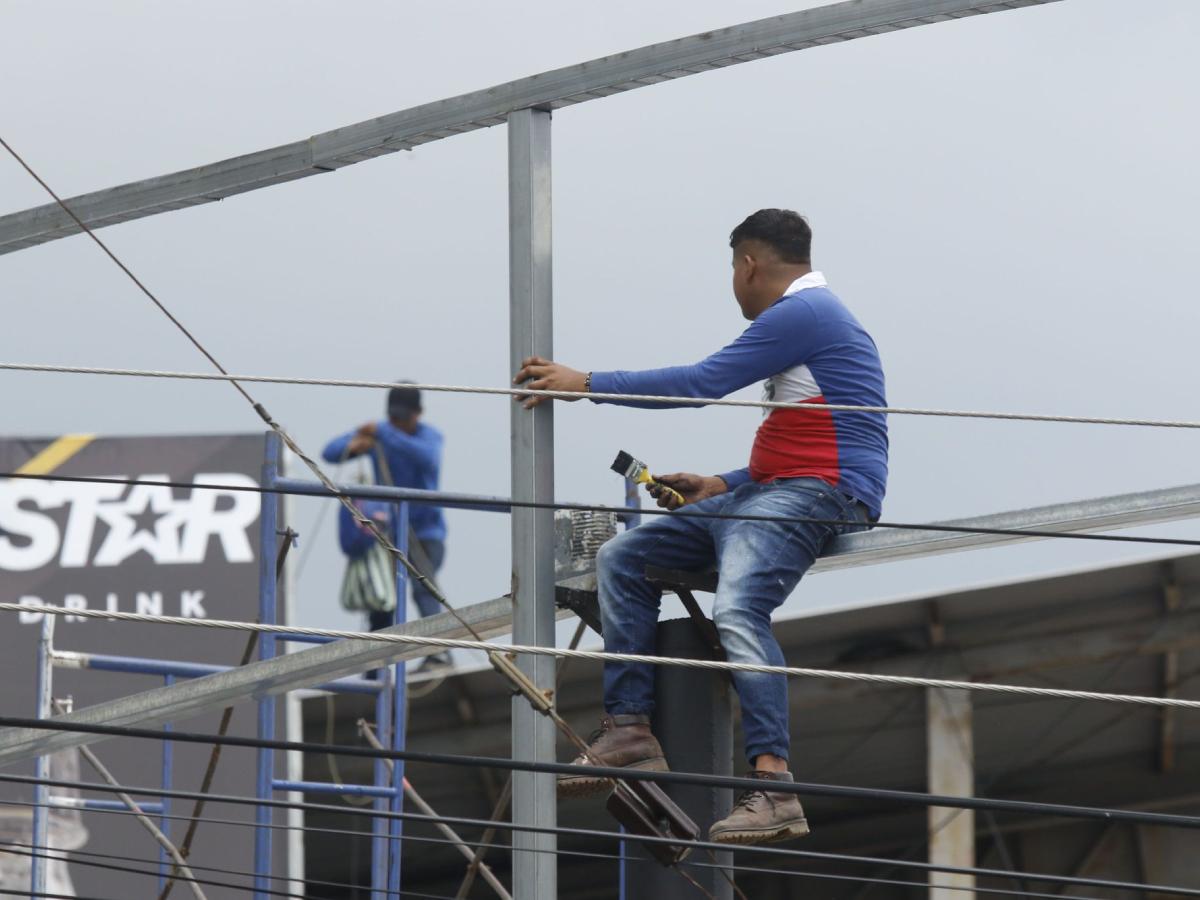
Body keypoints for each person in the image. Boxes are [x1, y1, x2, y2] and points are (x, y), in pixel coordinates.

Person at [512, 209, 888, 845]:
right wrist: (724, 485)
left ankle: (775, 785)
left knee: (740, 609)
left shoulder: (805, 314)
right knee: (625, 559)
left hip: (821, 494)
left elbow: (702, 383)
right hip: (773, 490)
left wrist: (586, 383)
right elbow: (809, 433)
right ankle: (629, 731)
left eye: (731, 271)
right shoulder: (810, 320)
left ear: (748, 264)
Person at [323, 382, 451, 671]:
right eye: (392, 418)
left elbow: (427, 458)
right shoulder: (381, 435)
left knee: (423, 589)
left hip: (426, 533)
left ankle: (439, 655)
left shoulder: (426, 437)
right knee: (383, 597)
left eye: (402, 418)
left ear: (418, 414)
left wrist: (383, 433)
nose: (396, 423)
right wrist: (355, 443)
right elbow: (330, 452)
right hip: (390, 535)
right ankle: (375, 663)